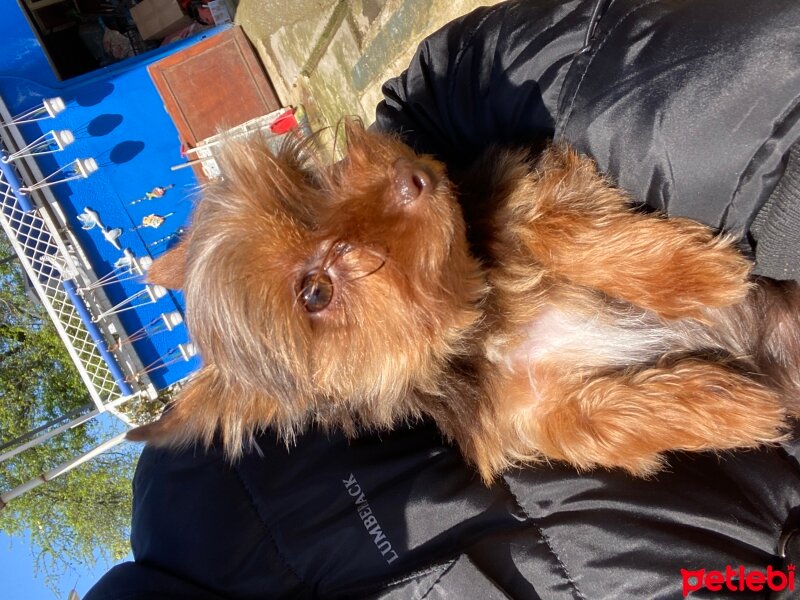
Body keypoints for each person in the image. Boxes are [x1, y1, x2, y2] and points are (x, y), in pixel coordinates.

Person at [86, 1, 800, 598]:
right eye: (317, 288)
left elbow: (518, 129)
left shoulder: (199, 492)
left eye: (316, 185)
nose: (389, 182)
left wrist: (614, 242)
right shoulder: (501, 412)